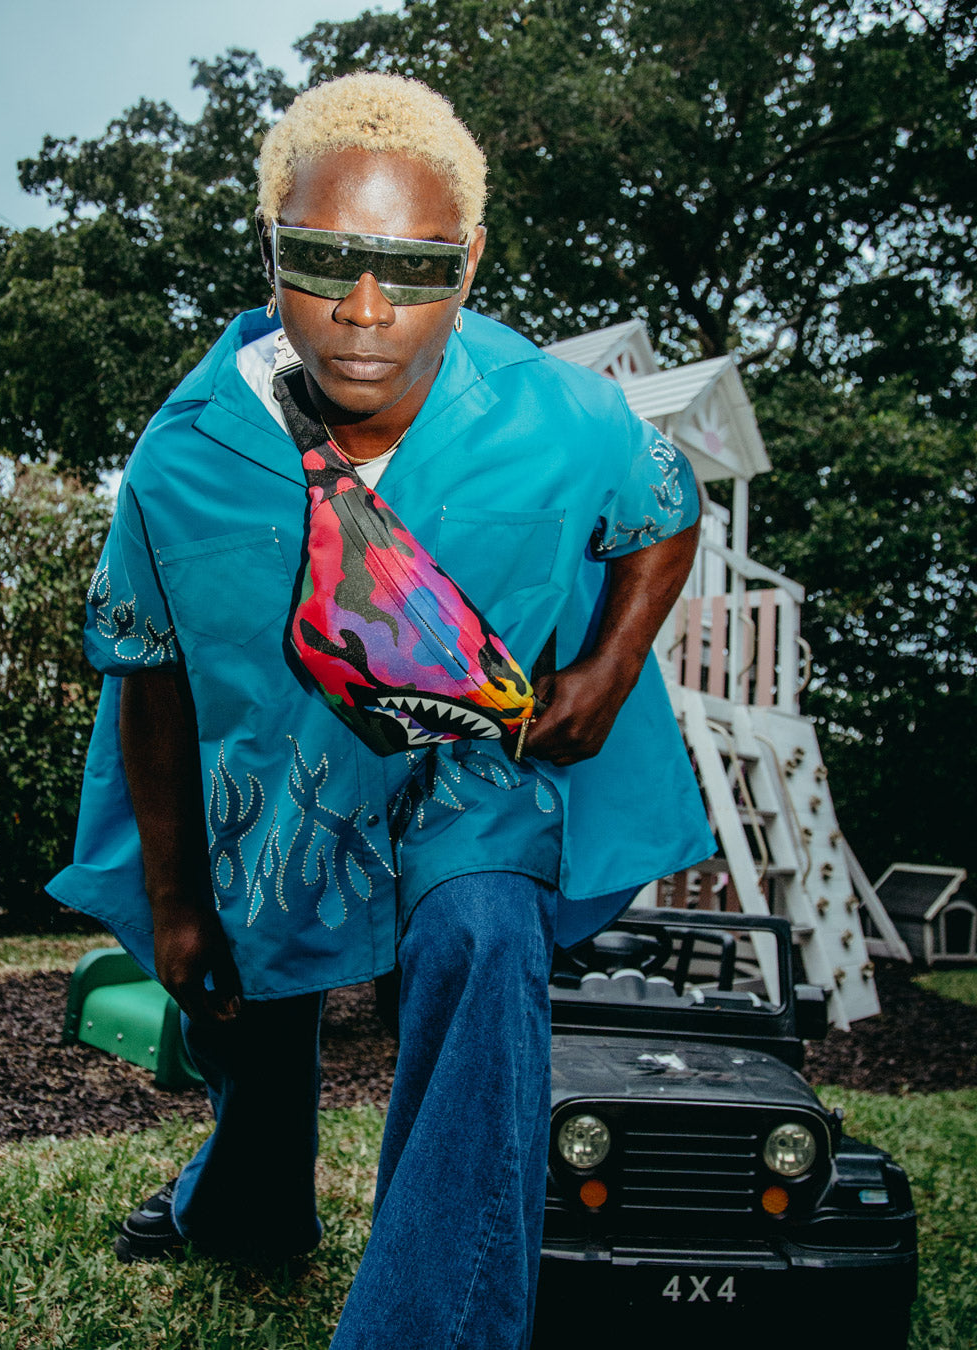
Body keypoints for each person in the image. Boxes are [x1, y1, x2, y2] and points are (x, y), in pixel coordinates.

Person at [49, 72, 714, 1349]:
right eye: (322, 261)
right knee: (253, 999)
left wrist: (609, 668)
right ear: (270, 248)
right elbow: (150, 671)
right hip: (283, 787)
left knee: (486, 933)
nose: (365, 312)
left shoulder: (558, 413)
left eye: (414, 269)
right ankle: (245, 1198)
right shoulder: (185, 456)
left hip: (473, 772)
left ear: (471, 261)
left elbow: (665, 506)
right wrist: (180, 905)